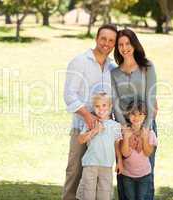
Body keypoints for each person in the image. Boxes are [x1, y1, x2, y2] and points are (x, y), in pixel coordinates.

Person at [62, 24, 118, 200]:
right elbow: (69, 94)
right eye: (103, 39)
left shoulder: (113, 68)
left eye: (111, 41)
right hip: (82, 128)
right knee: (75, 171)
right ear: (96, 38)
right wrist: (87, 115)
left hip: (104, 133)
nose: (106, 43)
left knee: (100, 177)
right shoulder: (80, 61)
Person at [111, 28, 157, 200]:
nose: (124, 48)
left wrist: (144, 130)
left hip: (146, 124)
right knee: (125, 174)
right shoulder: (113, 73)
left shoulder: (147, 67)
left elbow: (151, 98)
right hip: (124, 127)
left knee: (146, 172)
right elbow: (115, 104)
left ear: (134, 44)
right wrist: (126, 131)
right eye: (120, 45)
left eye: (128, 43)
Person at [76, 93, 123, 200]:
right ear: (93, 107)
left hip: (107, 165)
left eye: (104, 105)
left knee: (105, 194)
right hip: (90, 163)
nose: (101, 109)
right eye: (97, 106)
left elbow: (116, 145)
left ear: (110, 107)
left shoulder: (115, 126)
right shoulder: (90, 122)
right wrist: (94, 131)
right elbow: (80, 140)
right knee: (88, 194)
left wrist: (119, 161)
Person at [120, 100, 158, 200]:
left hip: (144, 175)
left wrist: (145, 139)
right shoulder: (125, 132)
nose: (136, 118)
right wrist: (126, 139)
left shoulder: (150, 133)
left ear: (145, 116)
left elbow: (148, 153)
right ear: (128, 115)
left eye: (140, 114)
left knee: (141, 198)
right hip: (127, 175)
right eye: (133, 114)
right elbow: (125, 153)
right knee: (130, 198)